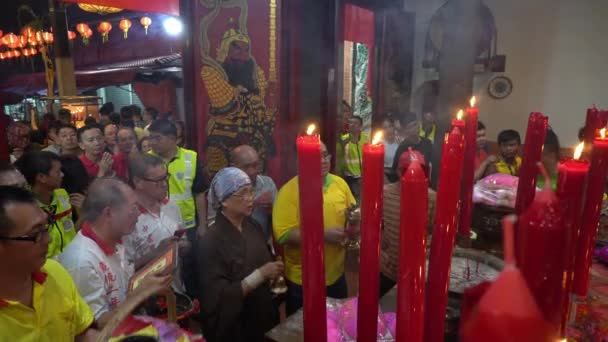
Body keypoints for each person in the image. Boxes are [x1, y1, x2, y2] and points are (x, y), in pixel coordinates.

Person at [58, 178, 172, 328]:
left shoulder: (116, 241)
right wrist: (139, 294)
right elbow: (95, 326)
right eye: (133, 208)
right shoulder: (82, 261)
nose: (138, 215)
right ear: (109, 213)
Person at [0, 186, 99, 341]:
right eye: (35, 234)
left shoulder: (54, 272)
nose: (49, 239)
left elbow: (83, 332)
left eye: (46, 227)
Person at [273, 141, 358, 315]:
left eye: (325, 155)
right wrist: (322, 235)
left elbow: (352, 214)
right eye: (316, 157)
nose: (324, 160)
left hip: (336, 274)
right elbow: (283, 236)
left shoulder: (340, 184)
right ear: (302, 160)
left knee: (335, 326)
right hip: (303, 280)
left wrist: (353, 226)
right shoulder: (288, 191)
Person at [198, 167, 283, 341]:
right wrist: (260, 274)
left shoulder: (252, 225)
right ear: (224, 201)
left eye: (251, 192)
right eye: (243, 194)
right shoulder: (210, 242)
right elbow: (218, 299)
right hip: (236, 328)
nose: (250, 199)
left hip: (262, 315)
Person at [201, 20, 275, 175]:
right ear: (225, 50)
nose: (242, 55)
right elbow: (224, 105)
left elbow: (260, 98)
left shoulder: (255, 72)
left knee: (257, 175)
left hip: (252, 132)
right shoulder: (211, 72)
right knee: (220, 172)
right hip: (224, 132)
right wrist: (237, 92)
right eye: (236, 50)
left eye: (245, 50)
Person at [148, 119, 209, 297]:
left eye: (157, 138)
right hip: (158, 225)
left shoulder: (191, 158)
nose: (152, 142)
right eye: (151, 138)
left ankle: (193, 301)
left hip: (187, 224)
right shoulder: (148, 160)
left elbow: (199, 193)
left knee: (190, 265)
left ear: (172, 139)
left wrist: (203, 225)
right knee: (165, 268)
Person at [379, 150, 437, 296]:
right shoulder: (385, 193)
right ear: (398, 171)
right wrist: (378, 246)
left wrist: (422, 248)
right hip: (387, 266)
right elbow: (375, 224)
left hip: (417, 268)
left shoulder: (431, 198)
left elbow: (436, 233)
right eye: (406, 170)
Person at [14, 151, 78, 258]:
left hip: (73, 258)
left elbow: (70, 228)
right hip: (46, 266)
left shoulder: (63, 194)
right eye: (58, 172)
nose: (62, 174)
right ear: (41, 177)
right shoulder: (25, 207)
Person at [208, 145, 277, 240]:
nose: (253, 171)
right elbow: (212, 222)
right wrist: (252, 205)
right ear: (233, 167)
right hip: (229, 244)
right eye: (247, 167)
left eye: (256, 165)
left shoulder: (267, 184)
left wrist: (272, 210)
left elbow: (279, 222)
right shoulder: (221, 187)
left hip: (260, 243)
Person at [336, 115, 369, 200]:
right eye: (350, 122)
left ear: (360, 126)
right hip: (350, 176)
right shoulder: (344, 140)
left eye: (356, 123)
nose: (353, 125)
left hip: (364, 175)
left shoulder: (367, 138)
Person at [57, 124, 90, 195]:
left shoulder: (89, 156)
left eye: (72, 135)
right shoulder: (56, 161)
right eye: (64, 136)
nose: (69, 138)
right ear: (58, 140)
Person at [382, 116, 401, 182]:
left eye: (390, 126)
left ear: (394, 127)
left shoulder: (401, 142)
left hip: (399, 176)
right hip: (384, 176)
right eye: (385, 128)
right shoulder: (380, 144)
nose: (388, 130)